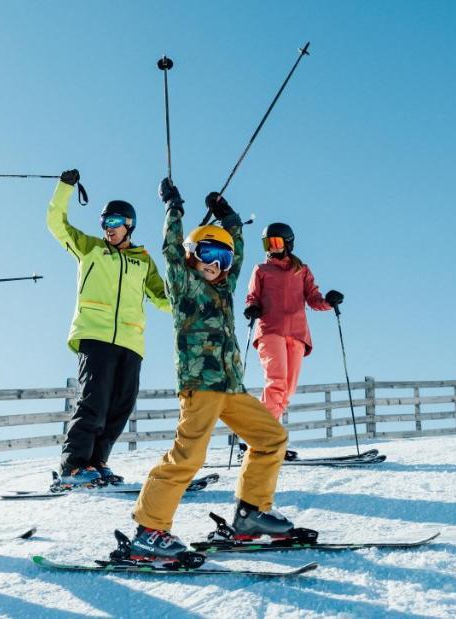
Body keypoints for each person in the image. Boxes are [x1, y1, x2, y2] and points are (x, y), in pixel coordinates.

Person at [118, 180, 311, 567]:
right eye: (208, 254)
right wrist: (174, 208)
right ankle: (148, 531)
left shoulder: (224, 288)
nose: (216, 265)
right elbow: (170, 250)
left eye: (221, 258)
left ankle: (251, 512)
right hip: (201, 387)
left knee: (272, 437)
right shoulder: (184, 285)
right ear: (192, 255)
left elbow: (238, 256)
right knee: (188, 457)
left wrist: (230, 220)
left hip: (231, 388)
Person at [47, 169, 171, 488]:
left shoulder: (143, 260)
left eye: (115, 223)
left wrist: (191, 299)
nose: (109, 228)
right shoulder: (90, 248)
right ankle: (73, 466)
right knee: (94, 401)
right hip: (95, 335)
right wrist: (65, 188)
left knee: (120, 406)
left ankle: (97, 461)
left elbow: (162, 297)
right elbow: (56, 224)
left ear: (129, 225)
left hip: (131, 341)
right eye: (105, 223)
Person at [244, 223, 343, 458]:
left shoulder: (302, 270)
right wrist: (252, 307)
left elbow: (314, 298)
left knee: (286, 391)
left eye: (276, 243)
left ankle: (269, 439)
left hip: (297, 334)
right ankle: (260, 441)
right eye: (267, 244)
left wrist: (329, 301)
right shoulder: (261, 269)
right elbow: (252, 295)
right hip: (271, 330)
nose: (271, 248)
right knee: (276, 384)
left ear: (288, 244)